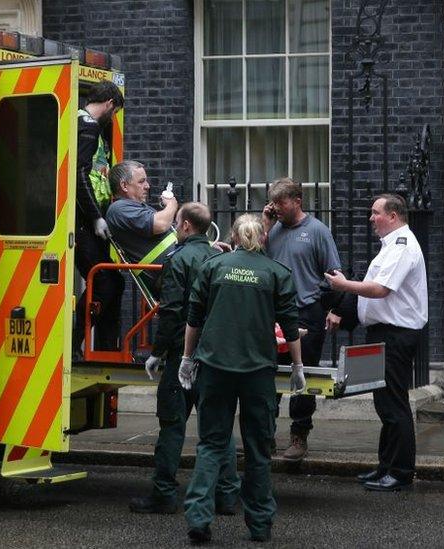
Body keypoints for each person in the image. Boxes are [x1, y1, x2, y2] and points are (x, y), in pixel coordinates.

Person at [179, 214, 304, 544]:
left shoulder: (213, 267)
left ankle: (198, 518)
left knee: (211, 444)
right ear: (263, 238)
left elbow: (194, 317)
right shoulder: (277, 273)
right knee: (258, 449)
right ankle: (260, 525)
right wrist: (297, 367)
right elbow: (290, 328)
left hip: (215, 367)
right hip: (258, 372)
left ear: (232, 237)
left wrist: (186, 359)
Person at [128, 202, 241, 515]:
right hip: (216, 355)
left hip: (183, 355)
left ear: (187, 225)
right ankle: (228, 496)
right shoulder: (219, 257)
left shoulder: (179, 259)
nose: (175, 227)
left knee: (172, 424)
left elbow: (172, 311)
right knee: (218, 426)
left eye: (177, 222)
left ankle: (164, 494)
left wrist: (157, 352)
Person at [325, 194, 427, 492]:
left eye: (376, 213)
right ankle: (386, 466)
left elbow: (380, 290)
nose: (371, 218)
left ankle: (401, 472)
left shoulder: (402, 246)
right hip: (383, 333)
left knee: (394, 404)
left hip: (395, 334)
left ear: (393, 216)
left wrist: (343, 285)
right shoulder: (391, 246)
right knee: (384, 403)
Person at [261, 177, 342, 461]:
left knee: (302, 374)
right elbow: (252, 256)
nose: (275, 207)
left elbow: (334, 274)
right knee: (267, 374)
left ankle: (299, 435)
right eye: (272, 202)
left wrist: (330, 306)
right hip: (272, 312)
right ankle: (264, 435)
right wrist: (266, 225)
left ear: (297, 201)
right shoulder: (271, 231)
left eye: (280, 202)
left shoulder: (318, 231)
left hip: (306, 311)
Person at [73, 80, 125, 357]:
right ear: (109, 105)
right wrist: (95, 217)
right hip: (84, 222)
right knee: (103, 282)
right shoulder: (90, 127)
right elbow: (79, 174)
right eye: (114, 112)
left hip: (89, 220)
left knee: (113, 282)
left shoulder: (82, 123)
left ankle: (106, 348)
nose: (113, 118)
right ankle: (73, 345)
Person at [105, 160, 179, 294]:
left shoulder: (137, 207)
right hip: (169, 273)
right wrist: (172, 205)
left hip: (177, 267)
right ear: (124, 185)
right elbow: (161, 225)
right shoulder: (119, 209)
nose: (147, 186)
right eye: (141, 181)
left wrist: (206, 244)